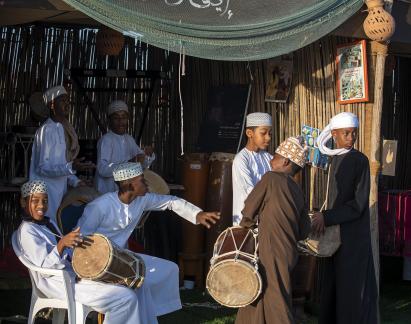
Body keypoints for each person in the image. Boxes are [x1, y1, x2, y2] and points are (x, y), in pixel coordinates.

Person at [77, 162, 220, 317]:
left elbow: (170, 201)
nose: (147, 183)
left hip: (124, 258)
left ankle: (149, 314)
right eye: (142, 180)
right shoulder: (100, 206)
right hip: (97, 264)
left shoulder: (142, 200)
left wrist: (197, 214)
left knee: (170, 269)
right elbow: (80, 238)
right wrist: (87, 268)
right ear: (130, 185)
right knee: (140, 282)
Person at [16, 179, 157, 323]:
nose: (41, 205)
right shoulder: (27, 230)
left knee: (137, 285)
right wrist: (62, 245)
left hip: (71, 275)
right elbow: (45, 268)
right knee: (125, 298)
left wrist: (77, 245)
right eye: (35, 201)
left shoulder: (48, 222)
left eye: (45, 201)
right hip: (56, 283)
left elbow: (64, 254)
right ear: (23, 202)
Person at [235, 137, 310, 324]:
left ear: (285, 161)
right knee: (256, 292)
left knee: (276, 299)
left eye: (275, 157)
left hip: (271, 249)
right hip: (288, 252)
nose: (270, 160)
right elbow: (304, 231)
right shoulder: (297, 190)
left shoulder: (270, 178)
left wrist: (246, 228)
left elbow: (249, 208)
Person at [313, 112, 378, 323]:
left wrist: (327, 217)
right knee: (332, 284)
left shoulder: (359, 160)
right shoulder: (332, 160)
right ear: (334, 134)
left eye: (354, 133)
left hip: (352, 237)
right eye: (346, 133)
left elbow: (358, 204)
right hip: (333, 235)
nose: (351, 138)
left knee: (351, 288)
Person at [29, 86, 95, 221]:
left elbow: (61, 165)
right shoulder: (46, 130)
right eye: (63, 101)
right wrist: (72, 167)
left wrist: (76, 182)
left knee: (58, 228)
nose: (67, 104)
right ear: (52, 104)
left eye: (68, 101)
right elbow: (43, 168)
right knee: (47, 229)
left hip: (59, 192)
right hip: (45, 193)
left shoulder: (61, 129)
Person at [95, 100, 155, 194]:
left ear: (127, 119)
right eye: (116, 118)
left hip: (125, 195)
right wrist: (129, 163)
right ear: (109, 120)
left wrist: (147, 155)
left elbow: (142, 165)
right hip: (107, 193)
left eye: (124, 117)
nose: (120, 121)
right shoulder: (106, 140)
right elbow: (102, 169)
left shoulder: (129, 139)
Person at [232, 112, 273, 225]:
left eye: (270, 133)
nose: (268, 138)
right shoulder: (241, 159)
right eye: (263, 133)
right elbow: (251, 194)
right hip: (247, 222)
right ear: (249, 133)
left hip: (266, 219)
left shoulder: (268, 158)